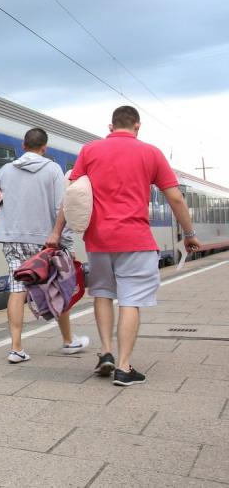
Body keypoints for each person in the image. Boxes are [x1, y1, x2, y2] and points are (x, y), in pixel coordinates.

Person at [48, 106, 201, 386]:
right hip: (135, 239)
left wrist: (56, 232)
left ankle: (105, 352)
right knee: (130, 300)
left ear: (110, 127)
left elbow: (71, 195)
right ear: (137, 126)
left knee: (103, 294)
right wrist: (189, 233)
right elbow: (176, 199)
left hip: (98, 239)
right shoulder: (151, 152)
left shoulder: (90, 150)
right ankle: (123, 366)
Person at [0, 127, 89, 364]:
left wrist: (2, 214)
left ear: (23, 146)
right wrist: (66, 241)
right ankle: (69, 341)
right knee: (59, 286)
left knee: (17, 289)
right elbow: (61, 207)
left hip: (12, 239)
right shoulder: (52, 170)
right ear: (44, 147)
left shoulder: (6, 170)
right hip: (45, 242)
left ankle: (16, 348)